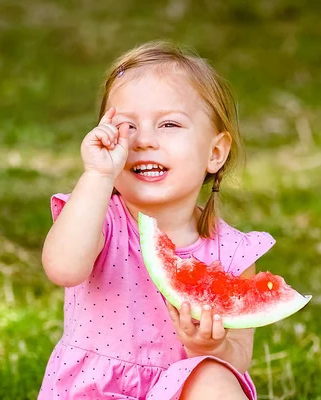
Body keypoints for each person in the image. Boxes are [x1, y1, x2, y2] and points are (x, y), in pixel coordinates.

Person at [38, 41, 275, 399]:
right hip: (95, 391)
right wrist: (98, 176)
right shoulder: (100, 220)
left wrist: (211, 349)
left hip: (182, 389)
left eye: (168, 124)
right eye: (127, 126)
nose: (144, 140)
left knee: (213, 376)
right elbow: (63, 268)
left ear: (214, 152)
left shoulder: (233, 253)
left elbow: (239, 357)